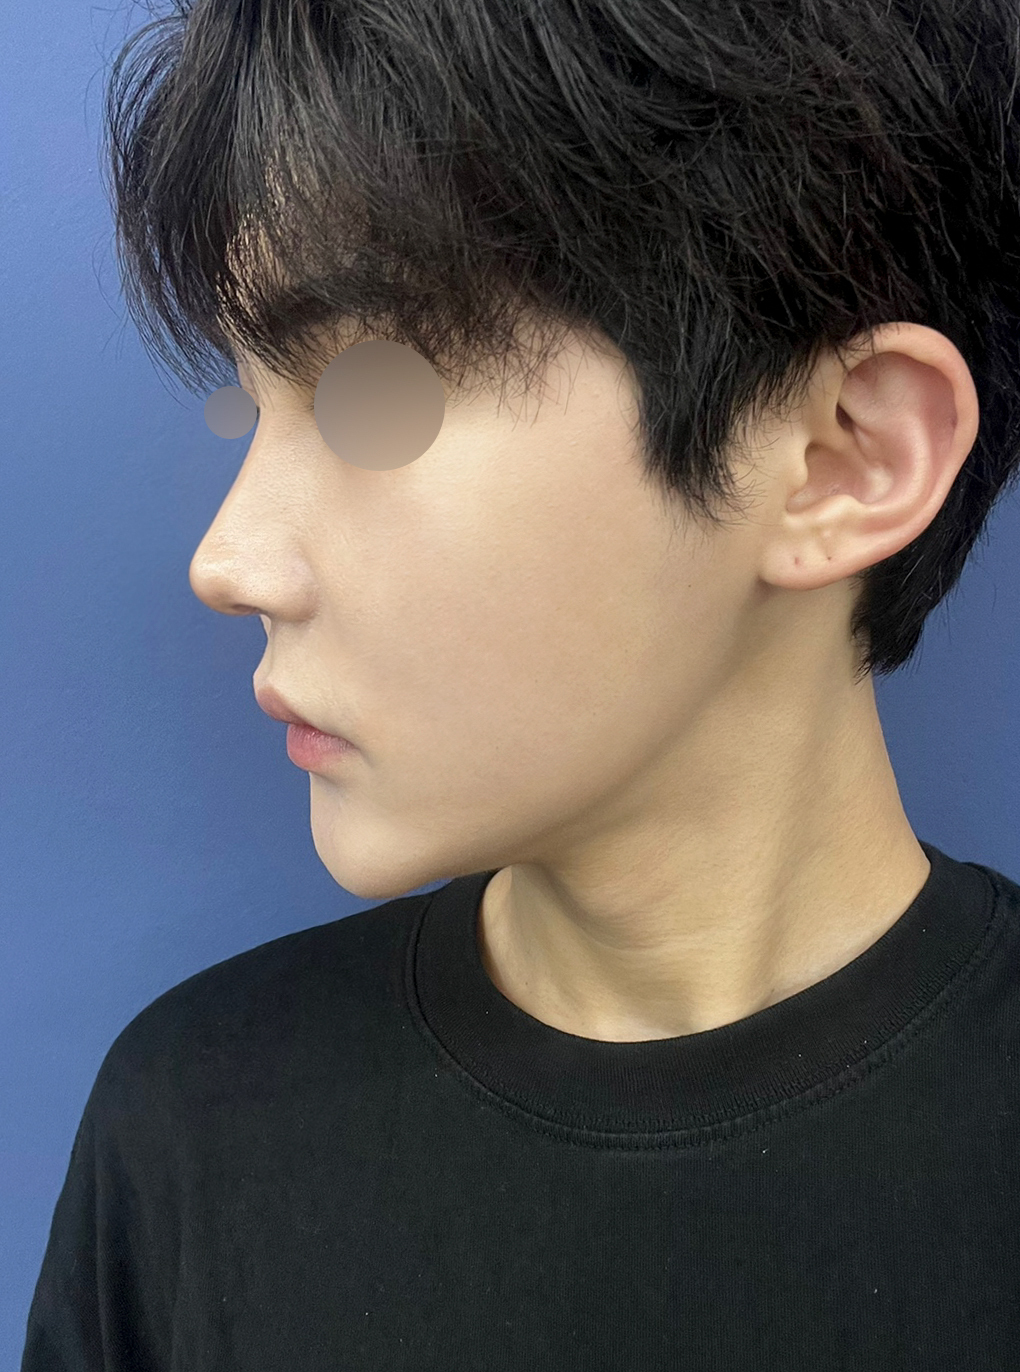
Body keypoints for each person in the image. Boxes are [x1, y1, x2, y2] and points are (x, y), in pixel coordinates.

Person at [23, 1, 1020, 1367]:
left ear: (845, 457)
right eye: (251, 410)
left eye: (372, 395)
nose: (228, 560)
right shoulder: (193, 1131)